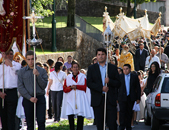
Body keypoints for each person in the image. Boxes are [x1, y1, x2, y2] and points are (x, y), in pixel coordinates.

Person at [87, 48, 121, 130]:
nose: (101, 56)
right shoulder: (92, 68)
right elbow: (89, 83)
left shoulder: (112, 68)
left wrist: (110, 81)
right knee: (100, 124)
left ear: (106, 56)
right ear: (96, 56)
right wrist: (101, 88)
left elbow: (118, 83)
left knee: (112, 124)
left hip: (110, 100)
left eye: (102, 54)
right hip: (98, 100)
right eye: (99, 55)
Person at [18, 50, 48, 130]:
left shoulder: (42, 71)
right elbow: (20, 87)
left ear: (36, 59)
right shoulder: (22, 72)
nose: (31, 61)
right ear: (26, 59)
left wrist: (38, 75)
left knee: (41, 121)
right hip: (28, 99)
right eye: (28, 59)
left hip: (40, 98)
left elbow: (44, 85)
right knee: (30, 123)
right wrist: (30, 98)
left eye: (32, 59)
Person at [61, 61, 94, 130]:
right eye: (74, 67)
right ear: (71, 68)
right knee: (70, 115)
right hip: (70, 99)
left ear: (78, 68)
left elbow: (85, 87)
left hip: (80, 99)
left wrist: (77, 87)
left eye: (76, 67)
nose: (75, 68)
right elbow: (65, 89)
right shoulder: (68, 77)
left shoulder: (83, 76)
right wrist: (70, 87)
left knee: (80, 116)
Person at [0, 49, 21, 130]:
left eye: (11, 54)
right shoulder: (0, 67)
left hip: (12, 91)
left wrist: (9, 63)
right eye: (7, 54)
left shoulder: (17, 65)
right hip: (1, 92)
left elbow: (16, 72)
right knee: (3, 115)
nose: (9, 55)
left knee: (11, 115)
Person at [118, 64, 141, 130]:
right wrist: (117, 97)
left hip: (131, 97)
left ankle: (128, 126)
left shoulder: (134, 77)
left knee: (129, 112)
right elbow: (117, 88)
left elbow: (138, 87)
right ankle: (122, 126)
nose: (125, 70)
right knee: (122, 112)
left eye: (127, 69)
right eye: (124, 69)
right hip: (122, 97)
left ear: (130, 69)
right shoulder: (120, 77)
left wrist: (138, 98)